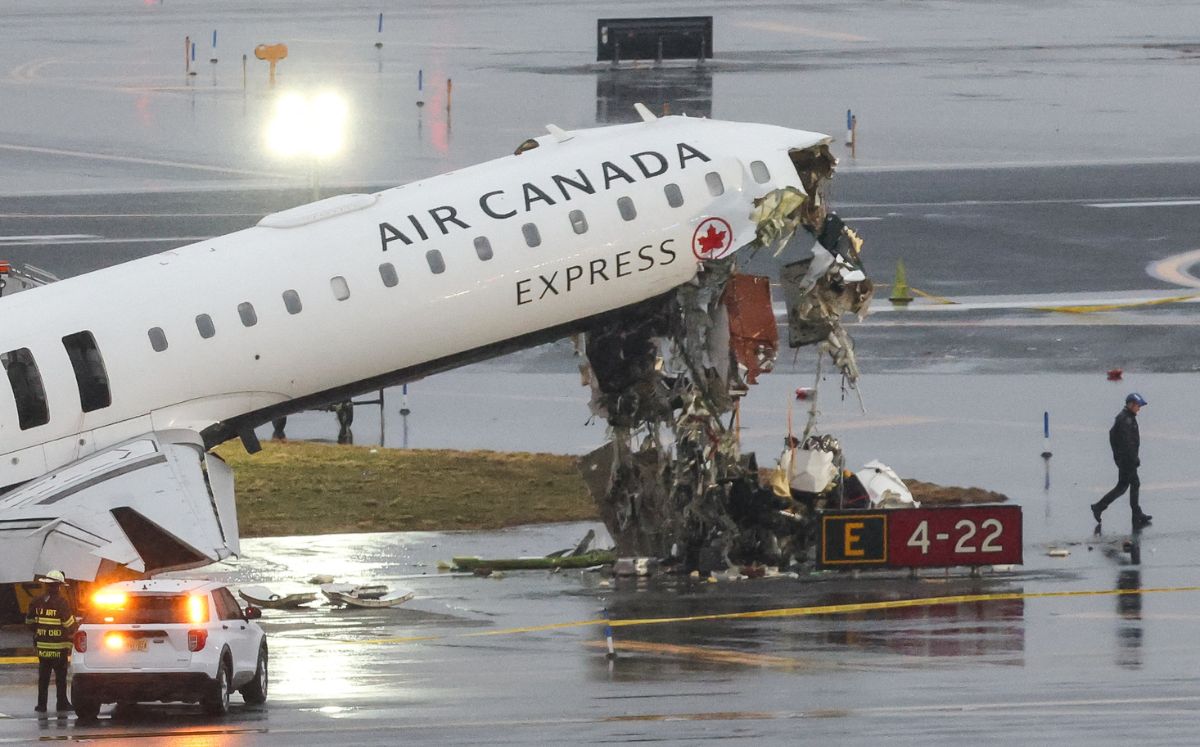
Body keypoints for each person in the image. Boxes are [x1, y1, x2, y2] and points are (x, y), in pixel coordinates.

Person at [1091, 393, 1151, 528]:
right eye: (1137, 406)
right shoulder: (1125, 420)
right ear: (1131, 405)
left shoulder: (1126, 417)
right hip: (1127, 460)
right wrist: (1130, 458)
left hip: (1126, 459)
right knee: (1129, 485)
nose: (1139, 409)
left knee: (1126, 485)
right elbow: (1126, 443)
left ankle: (1101, 507)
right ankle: (1101, 507)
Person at [25, 570, 77, 713]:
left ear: (46, 585)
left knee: (43, 678)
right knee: (60, 678)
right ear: (59, 586)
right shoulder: (61, 602)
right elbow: (69, 625)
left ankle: (41, 705)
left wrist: (40, 632)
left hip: (42, 647)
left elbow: (29, 622)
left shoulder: (36, 601)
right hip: (59, 648)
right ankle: (62, 704)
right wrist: (76, 625)